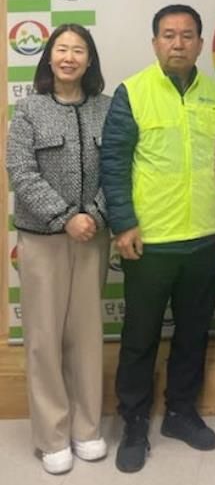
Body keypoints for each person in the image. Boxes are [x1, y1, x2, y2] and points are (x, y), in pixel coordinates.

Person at [100, 4, 215, 473]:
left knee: (193, 334)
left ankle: (180, 412)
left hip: (203, 237)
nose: (178, 43)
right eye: (169, 35)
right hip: (150, 240)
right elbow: (114, 162)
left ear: (201, 43)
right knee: (140, 338)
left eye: (187, 35)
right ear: (155, 42)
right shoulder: (132, 92)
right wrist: (123, 223)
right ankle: (134, 422)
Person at [6, 24, 111, 475]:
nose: (69, 57)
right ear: (49, 57)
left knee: (86, 337)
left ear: (90, 60)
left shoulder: (108, 108)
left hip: (93, 236)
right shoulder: (29, 109)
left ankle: (87, 428)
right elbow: (20, 170)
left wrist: (94, 215)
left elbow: (118, 167)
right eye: (62, 49)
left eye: (78, 50)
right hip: (43, 239)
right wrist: (65, 216)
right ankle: (52, 435)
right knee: (44, 338)